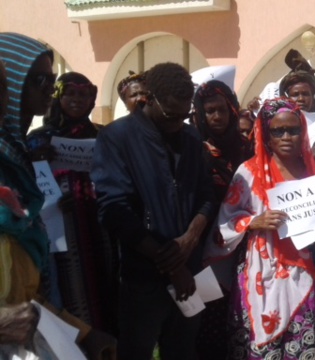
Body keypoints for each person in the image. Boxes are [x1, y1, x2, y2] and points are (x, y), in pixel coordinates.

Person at [0, 32, 115, 359]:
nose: (49, 90)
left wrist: (83, 334)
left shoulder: (15, 162)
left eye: (52, 80)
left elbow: (23, 284)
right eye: (39, 80)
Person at [91, 62, 215, 360]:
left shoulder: (191, 137)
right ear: (149, 98)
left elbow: (207, 196)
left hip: (191, 272)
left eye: (184, 116)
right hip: (143, 278)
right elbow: (114, 209)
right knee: (136, 353)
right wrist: (172, 266)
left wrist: (190, 238)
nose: (177, 123)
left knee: (183, 352)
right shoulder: (116, 137)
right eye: (170, 115)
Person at [217, 98, 315, 359]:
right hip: (261, 271)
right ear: (266, 134)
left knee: (304, 340)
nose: (287, 137)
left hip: (305, 270)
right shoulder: (248, 172)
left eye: (293, 130)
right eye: (278, 131)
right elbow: (224, 221)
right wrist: (253, 222)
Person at [27, 72, 119, 333]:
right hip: (59, 230)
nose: (77, 100)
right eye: (70, 93)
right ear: (58, 97)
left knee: (104, 291)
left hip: (99, 228)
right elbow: (29, 184)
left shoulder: (103, 137)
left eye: (84, 94)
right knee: (66, 290)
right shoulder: (39, 139)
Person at [191, 79, 253, 359]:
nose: (216, 117)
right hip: (203, 249)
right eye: (209, 111)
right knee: (208, 319)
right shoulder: (192, 150)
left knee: (241, 315)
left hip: (244, 246)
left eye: (222, 110)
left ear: (232, 111)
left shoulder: (248, 151)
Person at [279, 49, 315, 117]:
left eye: (306, 94)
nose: (301, 99)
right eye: (295, 94)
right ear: (287, 98)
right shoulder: (278, 124)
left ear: (313, 97)